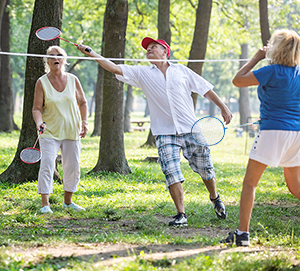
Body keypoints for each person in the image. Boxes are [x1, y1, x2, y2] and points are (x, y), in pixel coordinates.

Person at [77, 37, 233, 226]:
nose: (148, 50)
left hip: (191, 128)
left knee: (205, 168)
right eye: (147, 48)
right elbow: (114, 68)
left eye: (153, 47)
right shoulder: (142, 73)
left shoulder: (182, 71)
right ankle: (181, 214)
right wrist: (90, 52)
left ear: (165, 51)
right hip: (164, 132)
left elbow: (205, 89)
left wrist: (223, 107)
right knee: (171, 171)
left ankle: (215, 198)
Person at [221, 29, 300, 246]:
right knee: (295, 187)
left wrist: (256, 57)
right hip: (297, 134)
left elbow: (237, 81)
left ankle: (242, 234)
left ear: (275, 48)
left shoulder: (271, 71)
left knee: (250, 183)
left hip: (273, 131)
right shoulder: (298, 73)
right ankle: (242, 234)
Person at [32, 45, 88, 214]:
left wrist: (84, 122)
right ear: (47, 61)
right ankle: (45, 205)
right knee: (47, 165)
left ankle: (68, 202)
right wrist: (38, 122)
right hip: (49, 132)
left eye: (59, 55)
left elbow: (83, 102)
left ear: (64, 59)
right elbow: (36, 109)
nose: (55, 58)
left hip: (72, 131)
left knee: (72, 166)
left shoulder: (73, 79)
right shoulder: (41, 82)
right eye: (51, 56)